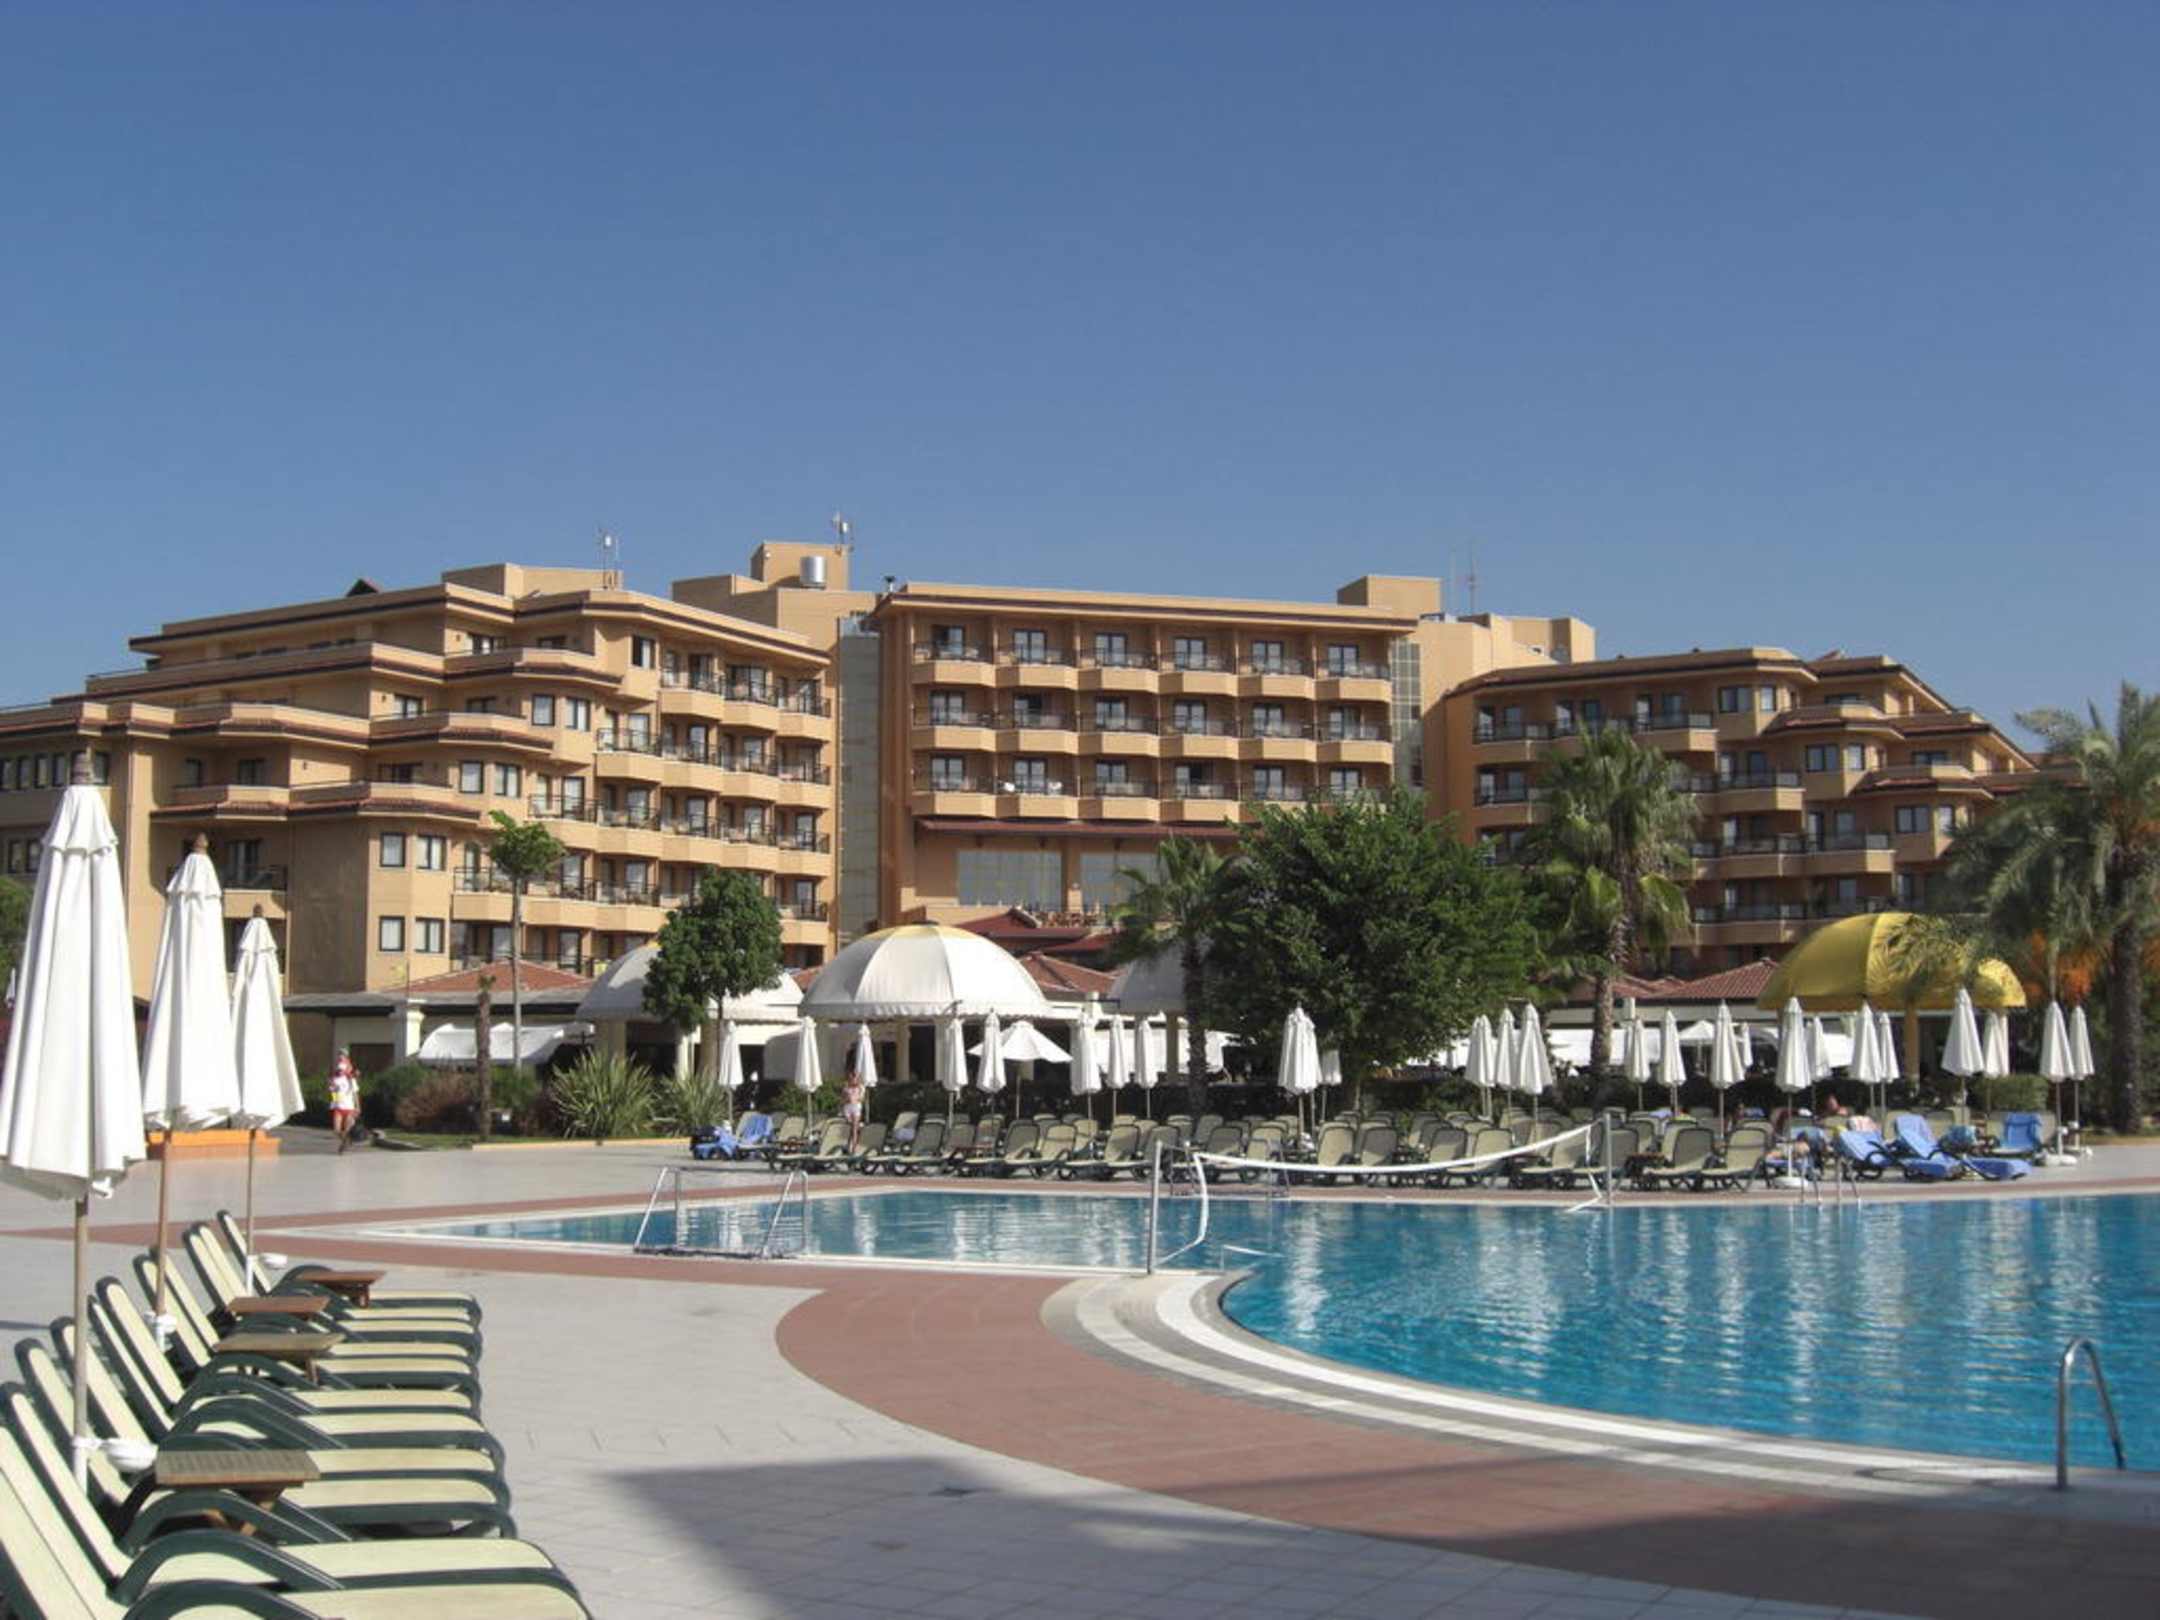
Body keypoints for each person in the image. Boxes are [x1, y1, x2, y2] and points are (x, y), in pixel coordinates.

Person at [328, 1050, 361, 1153]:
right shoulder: (335, 1080)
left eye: (342, 1069)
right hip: (339, 1108)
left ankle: (345, 1144)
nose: (340, 1070)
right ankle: (347, 1141)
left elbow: (355, 1094)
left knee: (346, 1130)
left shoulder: (351, 1080)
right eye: (339, 1069)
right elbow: (333, 1094)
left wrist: (358, 1107)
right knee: (336, 1130)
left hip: (349, 1108)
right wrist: (334, 1100)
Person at [840, 1057, 866, 1154]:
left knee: (854, 1129)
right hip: (847, 1108)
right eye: (851, 1076)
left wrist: (855, 1098)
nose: (852, 1078)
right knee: (849, 1128)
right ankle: (848, 1145)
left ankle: (854, 1149)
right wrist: (847, 1099)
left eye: (854, 1076)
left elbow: (861, 1099)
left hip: (856, 1108)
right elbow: (842, 1100)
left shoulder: (860, 1087)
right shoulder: (846, 1087)